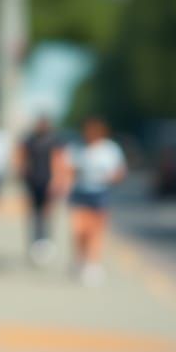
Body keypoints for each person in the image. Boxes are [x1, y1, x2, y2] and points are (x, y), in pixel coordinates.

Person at [60, 116, 126, 285]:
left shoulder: (110, 149)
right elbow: (67, 169)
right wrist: (64, 185)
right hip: (80, 192)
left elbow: (120, 171)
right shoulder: (77, 148)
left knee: (95, 231)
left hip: (100, 193)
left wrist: (112, 177)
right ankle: (79, 259)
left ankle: (93, 264)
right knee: (79, 230)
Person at [16, 115, 61, 265]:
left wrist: (56, 180)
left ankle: (46, 241)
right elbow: (21, 155)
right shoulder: (30, 140)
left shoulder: (53, 140)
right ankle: (35, 243)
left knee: (47, 213)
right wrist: (21, 171)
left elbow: (58, 159)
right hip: (33, 181)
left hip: (48, 181)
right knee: (34, 214)